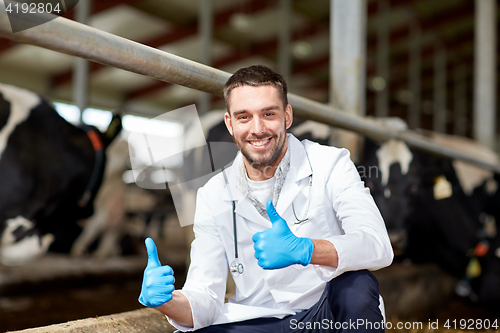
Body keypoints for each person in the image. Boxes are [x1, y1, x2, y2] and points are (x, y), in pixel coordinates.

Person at [138, 65, 394, 332]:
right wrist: (166, 302)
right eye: (244, 117)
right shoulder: (213, 194)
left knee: (356, 287)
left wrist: (307, 249)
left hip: (324, 313)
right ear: (230, 124)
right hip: (257, 320)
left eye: (268, 114)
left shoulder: (331, 164)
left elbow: (377, 245)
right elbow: (205, 296)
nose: (257, 129)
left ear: (287, 116)